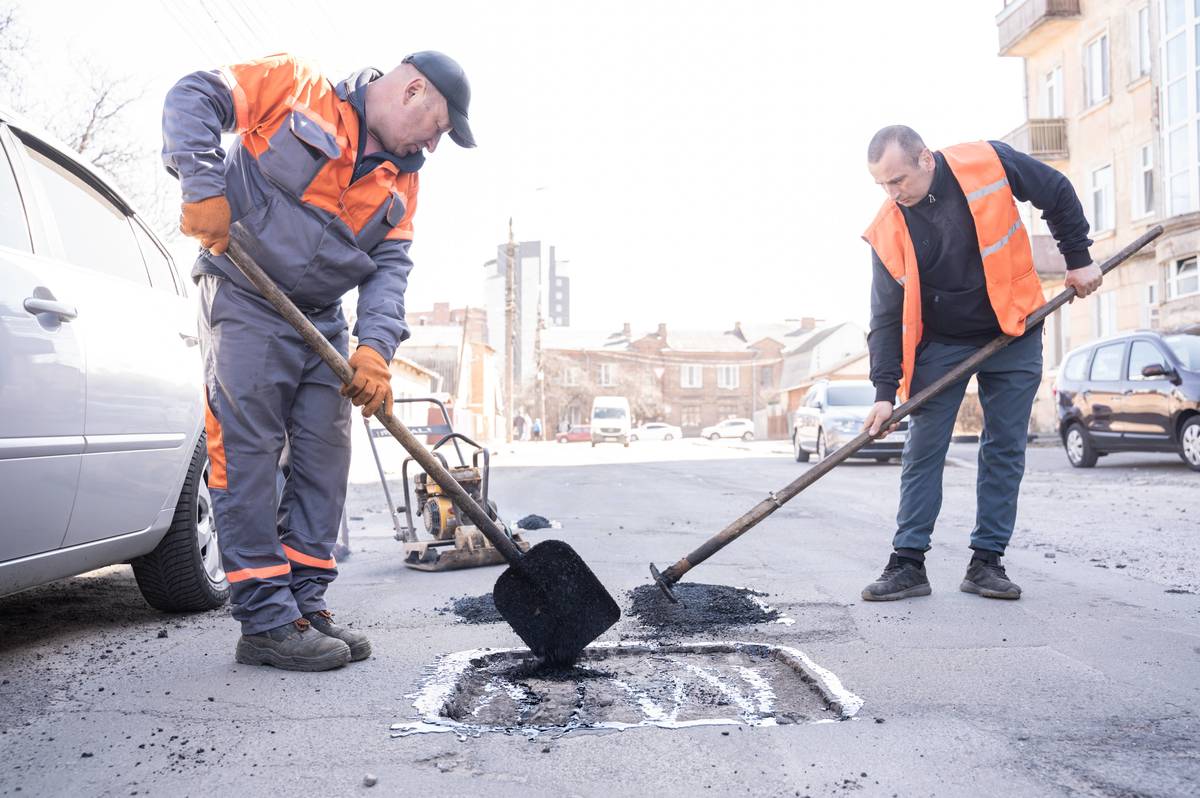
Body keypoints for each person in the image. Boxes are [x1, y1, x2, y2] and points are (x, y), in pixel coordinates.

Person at [162, 51, 475, 670]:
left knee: (325, 456)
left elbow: (389, 271)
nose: (434, 145)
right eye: (438, 127)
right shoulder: (293, 87)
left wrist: (375, 350)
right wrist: (202, 186)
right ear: (413, 90)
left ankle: (304, 603)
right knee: (248, 452)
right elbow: (192, 96)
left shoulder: (402, 181)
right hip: (245, 293)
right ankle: (266, 622)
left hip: (320, 317)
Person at [859, 125, 1100, 602]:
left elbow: (1055, 190)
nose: (892, 193)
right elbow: (884, 318)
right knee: (923, 449)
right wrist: (884, 394)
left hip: (1014, 327)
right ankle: (908, 563)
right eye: (882, 185)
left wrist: (1079, 258)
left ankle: (986, 562)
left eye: (898, 180)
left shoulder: (987, 162)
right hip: (943, 343)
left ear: (926, 160)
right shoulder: (888, 226)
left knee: (1005, 447)